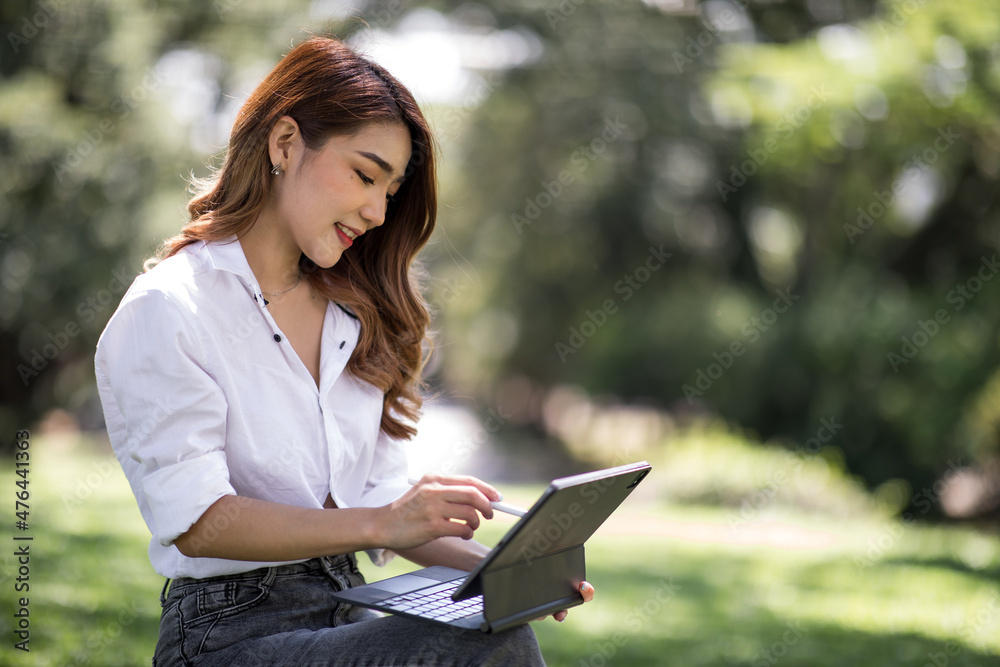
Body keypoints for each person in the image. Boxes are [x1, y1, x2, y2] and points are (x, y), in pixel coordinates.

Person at [94, 36, 593, 666]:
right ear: (284, 144)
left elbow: (381, 508)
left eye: (389, 191)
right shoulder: (170, 307)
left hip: (346, 615)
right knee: (490, 647)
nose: (378, 211)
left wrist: (512, 573)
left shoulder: (352, 316)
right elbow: (199, 523)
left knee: (492, 620)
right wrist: (383, 522)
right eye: (364, 175)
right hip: (228, 637)